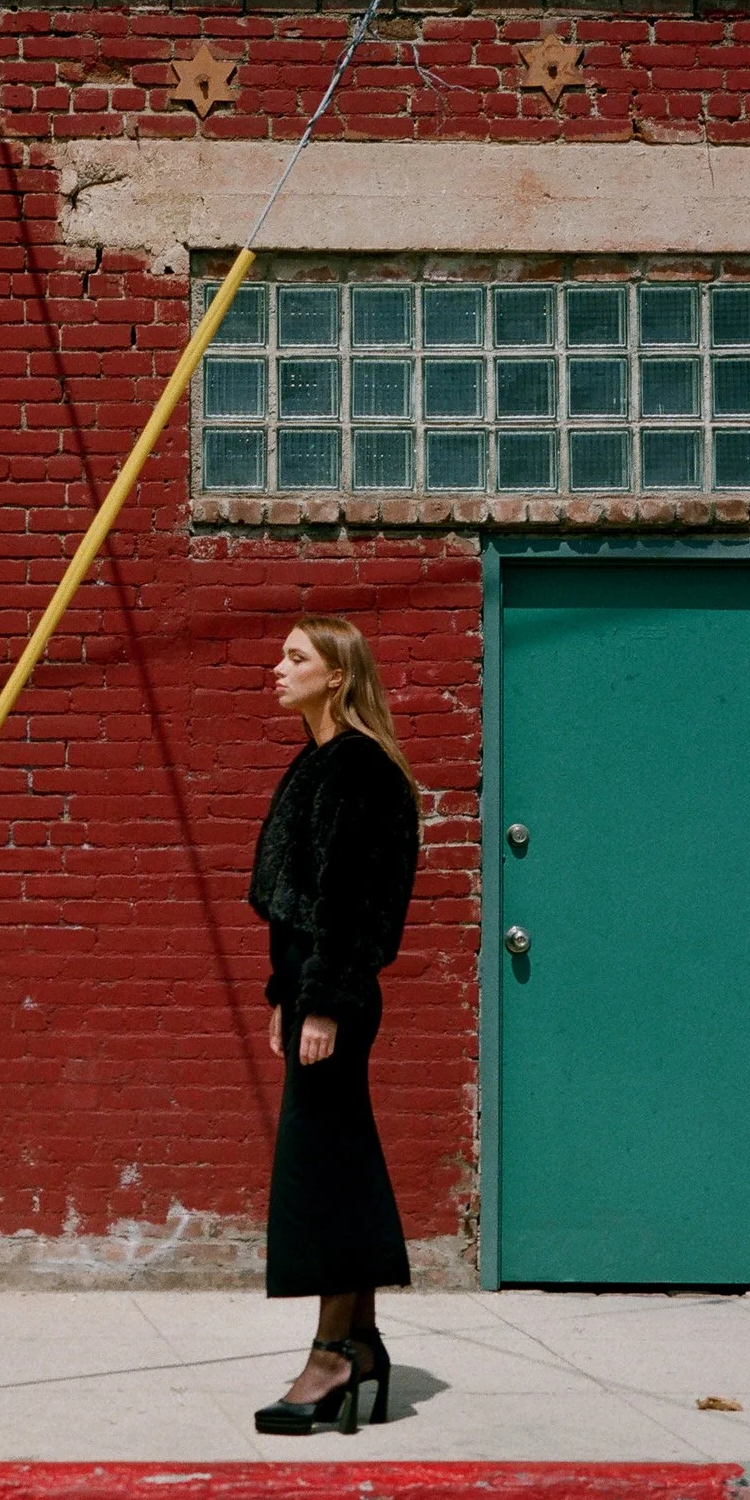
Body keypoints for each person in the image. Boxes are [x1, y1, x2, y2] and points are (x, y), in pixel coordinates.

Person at [248, 615, 420, 1437]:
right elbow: (300, 905)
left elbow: (353, 906)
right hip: (318, 992)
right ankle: (360, 1341)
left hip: (339, 999)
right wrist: (288, 990)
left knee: (321, 1171)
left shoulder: (358, 770)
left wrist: (322, 1001)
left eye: (295, 657)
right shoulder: (319, 762)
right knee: (338, 1160)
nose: (277, 668)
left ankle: (330, 1352)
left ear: (337, 676)